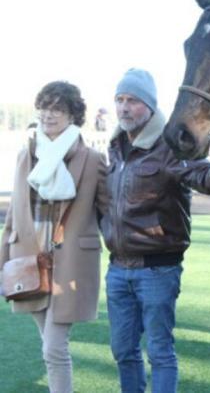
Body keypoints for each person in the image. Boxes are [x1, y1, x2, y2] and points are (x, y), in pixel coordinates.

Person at [102, 68, 210, 393]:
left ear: (148, 106)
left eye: (132, 101)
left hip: (157, 271)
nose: (123, 107)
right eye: (119, 100)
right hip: (118, 270)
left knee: (160, 352)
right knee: (123, 351)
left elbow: (200, 175)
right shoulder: (115, 147)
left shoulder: (169, 145)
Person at [0, 81, 108, 393]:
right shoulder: (26, 155)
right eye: (45, 107)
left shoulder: (92, 159)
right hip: (29, 261)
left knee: (53, 348)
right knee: (49, 344)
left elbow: (109, 211)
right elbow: (15, 214)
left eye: (58, 109)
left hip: (71, 263)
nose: (49, 114)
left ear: (73, 115)